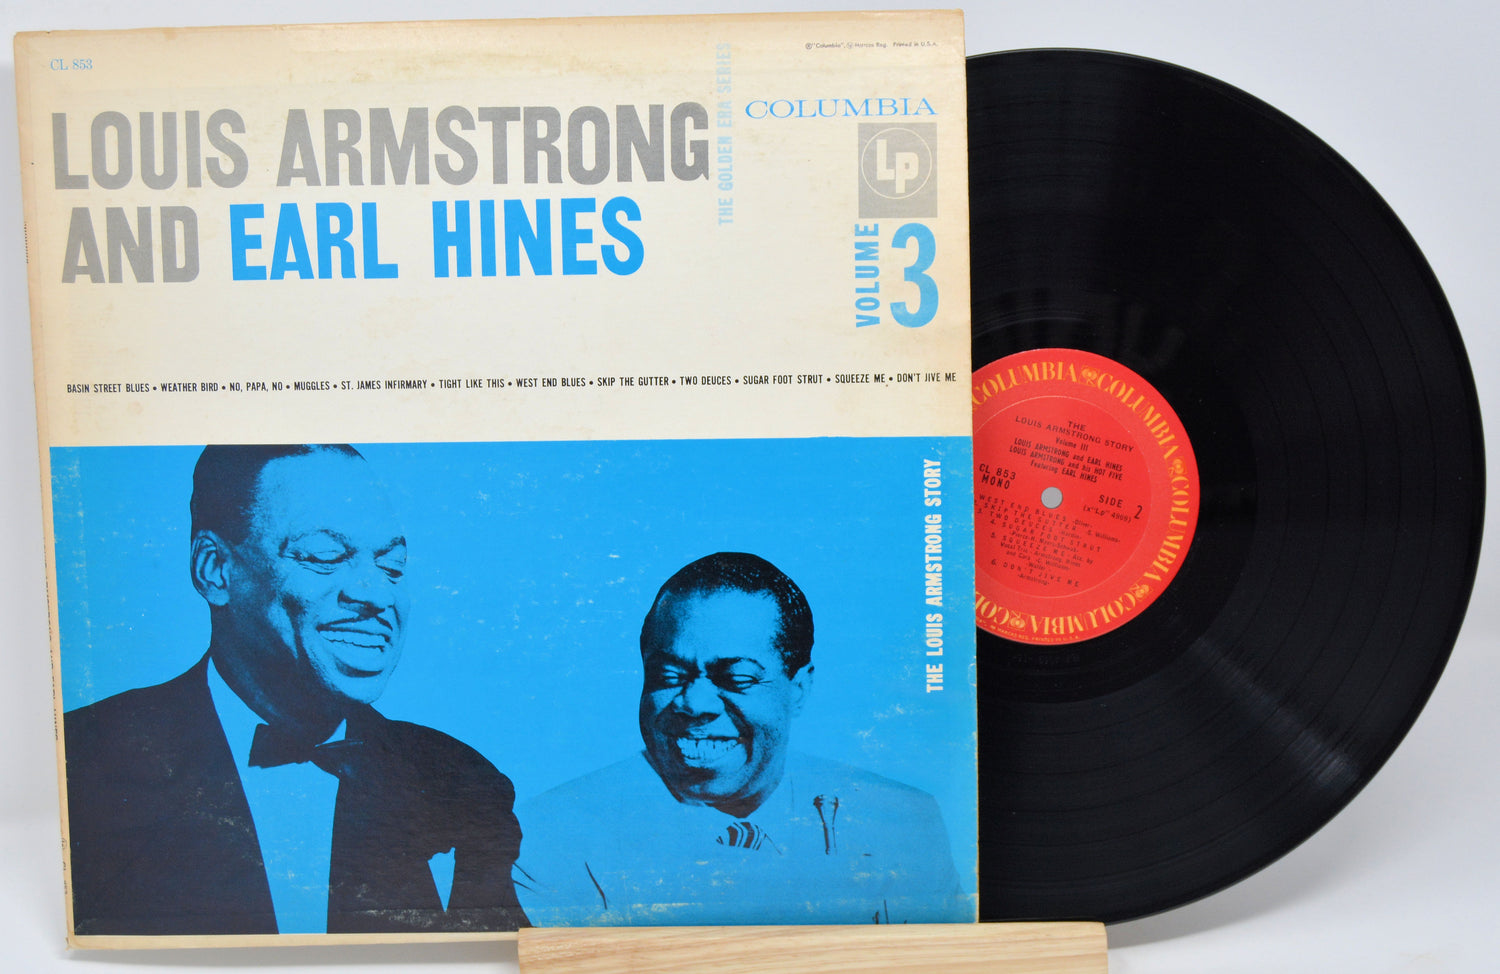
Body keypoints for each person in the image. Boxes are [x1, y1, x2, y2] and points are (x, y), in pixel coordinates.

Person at [63, 445, 528, 936]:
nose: (376, 594)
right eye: (325, 556)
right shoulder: (83, 761)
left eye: (392, 566)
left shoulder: (462, 784)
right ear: (214, 569)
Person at [515, 552, 969, 925]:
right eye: (668, 675)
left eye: (736, 678)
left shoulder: (903, 823)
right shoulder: (550, 836)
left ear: (798, 689)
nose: (694, 703)